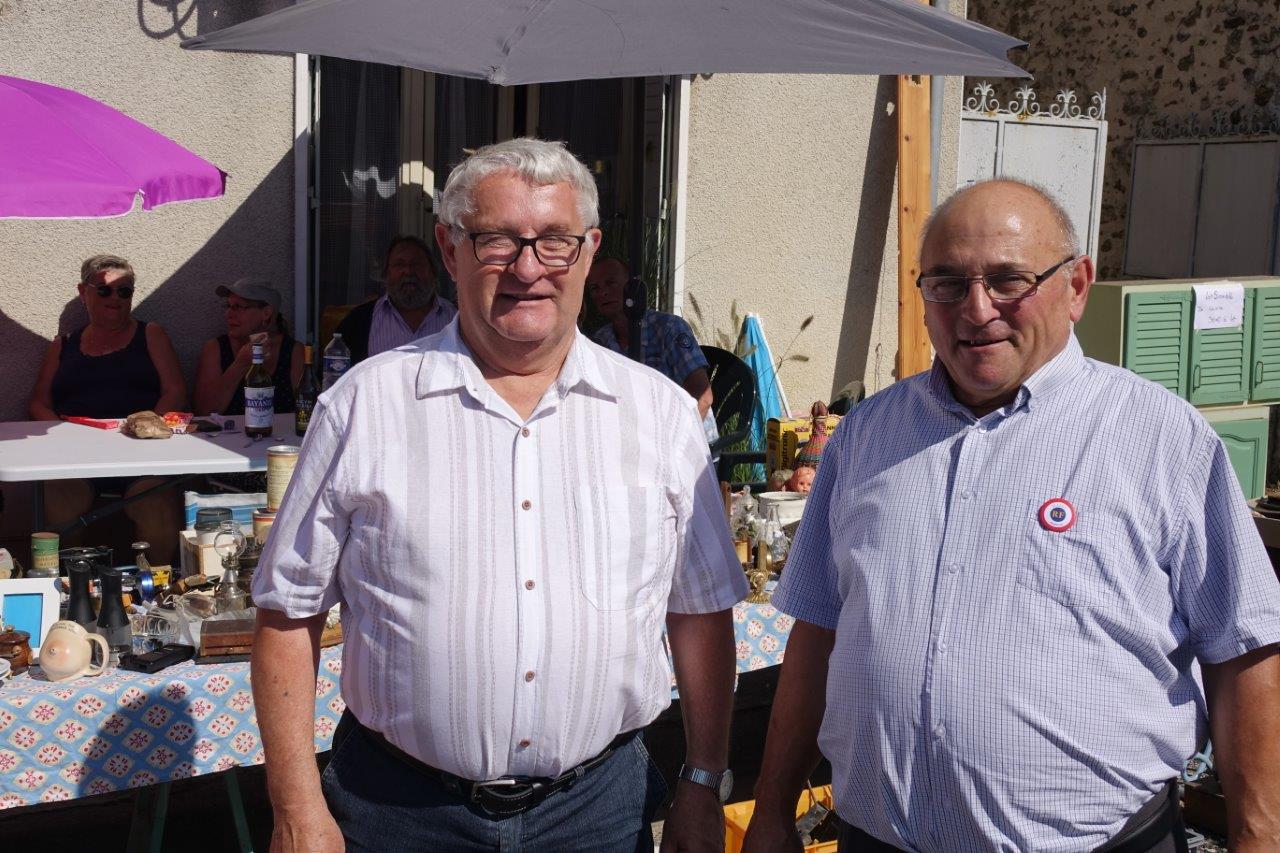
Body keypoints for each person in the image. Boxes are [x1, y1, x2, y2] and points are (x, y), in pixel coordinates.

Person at [744, 179, 1280, 852]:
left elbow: (1247, 647)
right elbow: (818, 632)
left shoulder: (1161, 438)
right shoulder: (867, 436)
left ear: (1077, 286)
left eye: (1008, 280)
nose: (976, 309)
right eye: (946, 282)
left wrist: (1259, 837)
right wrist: (769, 809)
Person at [251, 138, 748, 853]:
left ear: (588, 251)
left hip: (597, 815)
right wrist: (296, 808)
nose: (527, 268)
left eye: (554, 242)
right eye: (497, 241)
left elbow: (699, 613)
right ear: (450, 250)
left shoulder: (662, 415)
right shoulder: (362, 405)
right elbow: (285, 616)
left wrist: (704, 779)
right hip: (397, 811)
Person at [28, 254, 187, 563]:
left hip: (141, 455)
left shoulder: (150, 334)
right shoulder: (64, 344)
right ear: (82, 292)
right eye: (104, 290)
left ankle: (155, 588)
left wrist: (146, 426)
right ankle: (68, 584)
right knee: (56, 506)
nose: (115, 298)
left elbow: (176, 390)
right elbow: (37, 401)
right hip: (76, 457)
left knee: (157, 509)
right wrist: (62, 435)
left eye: (124, 291)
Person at [586, 257, 713, 419]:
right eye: (594, 288)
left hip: (686, 434)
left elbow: (702, 397)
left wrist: (667, 441)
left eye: (610, 283)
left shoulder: (669, 328)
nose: (602, 292)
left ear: (632, 287)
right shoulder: (600, 340)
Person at [333, 234, 458, 364]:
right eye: (399, 264)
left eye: (417, 264)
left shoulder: (458, 319)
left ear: (433, 271)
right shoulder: (358, 322)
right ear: (386, 273)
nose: (408, 271)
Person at [193, 278, 304, 416]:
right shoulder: (216, 348)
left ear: (266, 313)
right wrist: (240, 364)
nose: (229, 314)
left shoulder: (293, 352)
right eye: (228, 306)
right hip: (226, 437)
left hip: (280, 436)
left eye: (238, 307)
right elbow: (204, 411)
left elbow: (306, 409)